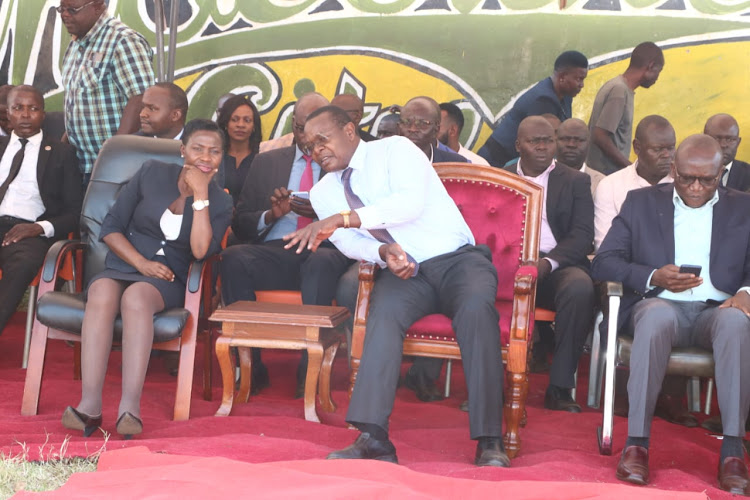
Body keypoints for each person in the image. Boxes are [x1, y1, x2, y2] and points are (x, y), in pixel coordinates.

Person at [284, 105, 509, 467]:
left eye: (323, 139)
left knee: (475, 311)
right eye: (310, 145)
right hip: (405, 272)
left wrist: (343, 218)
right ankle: (374, 437)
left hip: (458, 261)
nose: (317, 150)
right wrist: (382, 250)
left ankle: (490, 439)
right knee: (383, 315)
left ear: (350, 130)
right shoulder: (325, 192)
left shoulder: (397, 150)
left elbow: (407, 204)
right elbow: (349, 244)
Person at [592, 134, 750, 495]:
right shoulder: (641, 203)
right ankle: (637, 444)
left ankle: (732, 452)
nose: (695, 187)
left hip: (718, 309)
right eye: (686, 177)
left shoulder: (744, 207)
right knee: (656, 317)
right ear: (673, 171)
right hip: (661, 306)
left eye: (707, 180)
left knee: (737, 323)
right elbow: (604, 262)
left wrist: (745, 293)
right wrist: (652, 276)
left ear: (721, 174)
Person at [61, 119, 232, 439]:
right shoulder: (152, 172)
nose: (205, 157)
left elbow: (199, 252)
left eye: (214, 152)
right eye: (197, 149)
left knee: (136, 298)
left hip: (168, 280)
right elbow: (110, 229)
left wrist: (201, 195)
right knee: (100, 291)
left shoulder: (221, 201)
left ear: (222, 157)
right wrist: (141, 262)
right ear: (183, 151)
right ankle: (90, 406)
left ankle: (129, 408)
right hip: (125, 265)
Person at [220, 93, 352, 397]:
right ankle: (252, 366)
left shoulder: (344, 163)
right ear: (294, 125)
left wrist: (321, 216)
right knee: (234, 257)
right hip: (277, 250)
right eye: (305, 127)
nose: (311, 137)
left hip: (326, 249)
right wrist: (272, 214)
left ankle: (311, 371)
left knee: (319, 262)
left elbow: (360, 216)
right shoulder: (267, 162)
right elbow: (241, 223)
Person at [506, 116, 595, 412]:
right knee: (481, 282)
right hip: (510, 265)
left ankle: (559, 387)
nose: (543, 147)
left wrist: (548, 262)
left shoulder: (576, 181)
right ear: (519, 145)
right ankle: (493, 383)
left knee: (581, 288)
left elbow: (582, 236)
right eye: (535, 141)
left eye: (549, 140)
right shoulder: (499, 176)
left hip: (556, 266)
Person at [0, 85, 82, 334]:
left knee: (23, 264)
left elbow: (74, 212)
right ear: (8, 113)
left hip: (30, 232)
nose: (26, 115)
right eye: (18, 108)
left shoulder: (61, 153)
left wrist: (37, 228)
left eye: (33, 109)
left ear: (43, 115)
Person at [59, 0, 154, 182]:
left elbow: (141, 98)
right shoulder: (76, 43)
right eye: (61, 9)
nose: (65, 15)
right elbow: (76, 101)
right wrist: (63, 147)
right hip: (81, 164)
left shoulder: (123, 40)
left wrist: (113, 156)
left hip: (115, 168)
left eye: (72, 10)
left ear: (97, 7)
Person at [478, 51, 589, 167]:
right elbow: (544, 144)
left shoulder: (565, 95)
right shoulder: (543, 100)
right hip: (496, 162)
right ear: (562, 77)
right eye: (579, 79)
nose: (582, 85)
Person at [595, 115, 674, 250]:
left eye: (671, 148)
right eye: (658, 149)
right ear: (637, 147)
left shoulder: (684, 185)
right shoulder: (610, 185)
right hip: (628, 267)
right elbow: (605, 246)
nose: (667, 155)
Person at [587, 42, 664, 175]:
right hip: (604, 175)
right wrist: (630, 168)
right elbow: (600, 135)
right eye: (658, 71)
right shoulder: (619, 91)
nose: (657, 78)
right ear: (650, 66)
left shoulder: (619, 87)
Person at [216, 95, 262, 204]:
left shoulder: (262, 157)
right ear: (226, 123)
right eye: (234, 120)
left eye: (247, 120)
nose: (240, 125)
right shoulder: (215, 156)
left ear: (254, 126)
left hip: (251, 218)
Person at [399, 96, 467, 164]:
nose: (412, 129)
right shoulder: (389, 160)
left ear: (436, 129)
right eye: (406, 122)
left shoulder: (455, 164)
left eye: (422, 123)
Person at [556, 118, 604, 196]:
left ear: (588, 143)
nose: (571, 144)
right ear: (555, 141)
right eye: (565, 139)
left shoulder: (602, 183)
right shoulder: (540, 177)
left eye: (578, 140)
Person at [704, 113, 749, 191]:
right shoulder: (688, 173)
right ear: (704, 139)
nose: (723, 145)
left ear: (738, 142)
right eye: (717, 139)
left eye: (730, 139)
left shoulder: (747, 175)